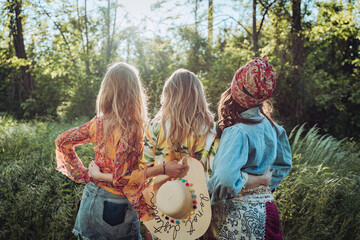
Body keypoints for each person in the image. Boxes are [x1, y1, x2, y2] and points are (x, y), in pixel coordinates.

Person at [89, 68, 273, 239]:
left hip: (163, 210)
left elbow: (143, 175)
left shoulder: (154, 129)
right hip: (197, 213)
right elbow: (215, 175)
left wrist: (148, 223)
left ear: (168, 96)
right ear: (198, 96)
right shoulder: (212, 131)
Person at [55, 62, 186, 240]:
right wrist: (163, 170)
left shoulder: (98, 123)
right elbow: (122, 178)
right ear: (135, 92)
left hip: (90, 200)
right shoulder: (131, 128)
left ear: (107, 90)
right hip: (115, 205)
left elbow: (62, 142)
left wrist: (86, 175)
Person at [207, 56, 292, 240]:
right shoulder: (275, 129)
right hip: (269, 209)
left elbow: (225, 180)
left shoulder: (236, 132)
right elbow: (283, 166)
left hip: (240, 217)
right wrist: (263, 182)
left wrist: (207, 194)